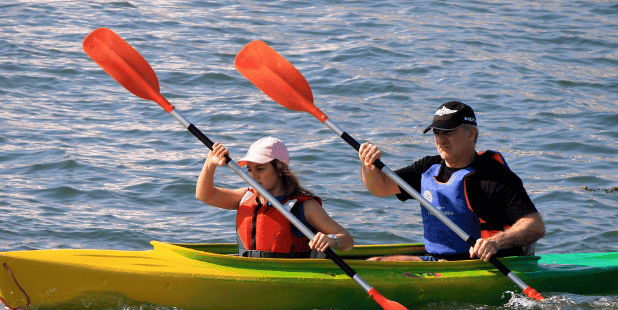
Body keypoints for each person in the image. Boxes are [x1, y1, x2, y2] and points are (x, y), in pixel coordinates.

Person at [358, 101, 545, 262]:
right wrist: (368, 165)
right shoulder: (428, 168)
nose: (440, 139)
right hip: (441, 259)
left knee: (377, 261)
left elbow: (535, 225)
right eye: (436, 132)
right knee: (374, 261)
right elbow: (380, 187)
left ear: (471, 134)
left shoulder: (495, 177)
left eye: (448, 131)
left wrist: (495, 243)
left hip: (488, 262)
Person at [197, 136, 353, 258]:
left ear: (279, 168)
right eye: (250, 170)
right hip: (250, 270)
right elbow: (205, 195)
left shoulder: (305, 206)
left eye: (260, 168)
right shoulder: (245, 196)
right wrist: (210, 164)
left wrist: (332, 239)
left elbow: (347, 240)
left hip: (288, 276)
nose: (254, 176)